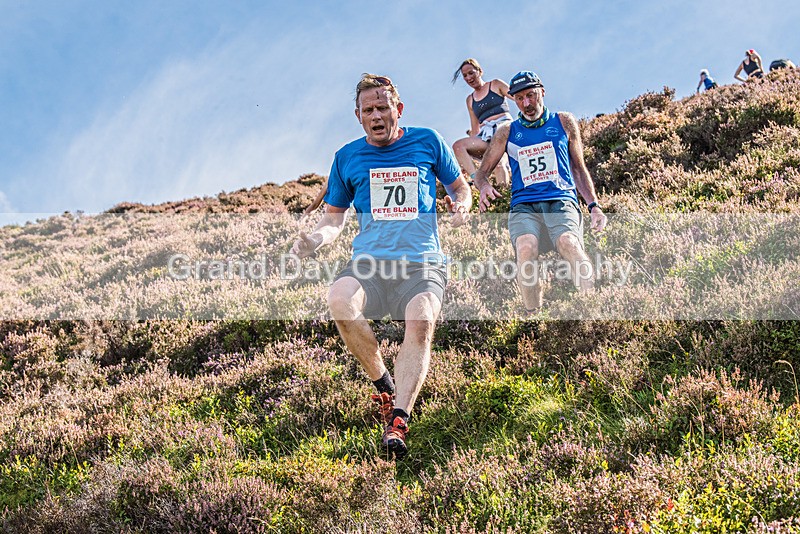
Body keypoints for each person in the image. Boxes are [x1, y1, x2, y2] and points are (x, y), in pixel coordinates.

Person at [291, 73, 472, 460]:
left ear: (398, 110)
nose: (376, 115)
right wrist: (315, 240)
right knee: (339, 302)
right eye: (368, 109)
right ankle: (385, 385)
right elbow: (334, 218)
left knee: (421, 320)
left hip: (421, 263)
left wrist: (462, 206)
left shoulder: (428, 141)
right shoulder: (347, 157)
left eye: (382, 107)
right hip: (370, 264)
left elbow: (459, 186)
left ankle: (399, 420)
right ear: (358, 116)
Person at [471, 70, 607, 313]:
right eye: (520, 98)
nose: (526, 104)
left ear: (542, 92)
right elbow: (481, 173)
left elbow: (578, 168)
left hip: (560, 200)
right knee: (525, 249)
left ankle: (593, 308)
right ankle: (534, 316)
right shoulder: (507, 131)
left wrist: (593, 205)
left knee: (569, 242)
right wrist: (484, 187)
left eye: (531, 96)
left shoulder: (564, 122)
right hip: (524, 205)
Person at [451, 59, 512, 187]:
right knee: (458, 146)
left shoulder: (495, 84)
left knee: (500, 164)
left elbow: (517, 97)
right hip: (486, 135)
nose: (469, 78)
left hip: (505, 130)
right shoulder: (470, 100)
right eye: (465, 76)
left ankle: (505, 198)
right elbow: (475, 129)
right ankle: (478, 180)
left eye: (471, 73)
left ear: (480, 71)